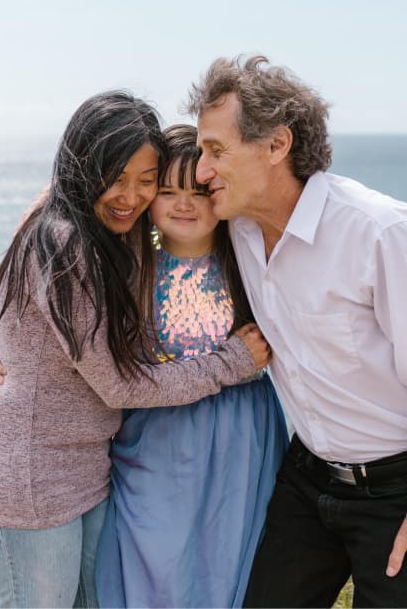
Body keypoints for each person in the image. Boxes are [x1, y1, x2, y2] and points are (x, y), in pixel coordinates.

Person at [186, 56, 407, 609]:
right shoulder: (238, 226)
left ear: (276, 145)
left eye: (216, 151)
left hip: (398, 490)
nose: (202, 172)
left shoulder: (379, 231)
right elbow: (128, 203)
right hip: (306, 474)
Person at [0, 91, 271, 609]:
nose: (131, 196)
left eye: (145, 180)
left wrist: (0, 340)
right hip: (31, 486)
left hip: (86, 475)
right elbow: (119, 383)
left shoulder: (110, 236)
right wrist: (233, 362)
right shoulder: (65, 243)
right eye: (116, 178)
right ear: (84, 171)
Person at [94, 125, 288, 608]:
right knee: (157, 561)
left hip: (240, 442)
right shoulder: (131, 267)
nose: (183, 204)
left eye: (198, 192)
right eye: (167, 191)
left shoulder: (249, 261)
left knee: (230, 562)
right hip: (157, 443)